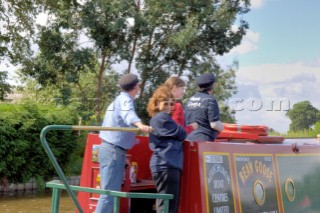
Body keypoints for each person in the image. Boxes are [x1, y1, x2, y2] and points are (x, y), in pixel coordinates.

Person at [96, 73, 152, 213]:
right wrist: (140, 125)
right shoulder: (126, 100)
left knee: (109, 192)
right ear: (136, 86)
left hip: (111, 149)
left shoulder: (117, 100)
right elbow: (128, 115)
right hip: (113, 151)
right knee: (109, 194)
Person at [147, 85, 189, 213]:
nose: (169, 107)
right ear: (157, 103)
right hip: (166, 164)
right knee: (168, 205)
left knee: (168, 203)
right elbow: (182, 133)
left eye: (172, 105)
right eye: (166, 103)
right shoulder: (162, 118)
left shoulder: (161, 119)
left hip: (166, 164)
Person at [185, 73, 224, 142]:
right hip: (204, 141)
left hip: (188, 139)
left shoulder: (190, 100)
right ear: (213, 85)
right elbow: (214, 124)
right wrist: (221, 127)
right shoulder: (210, 100)